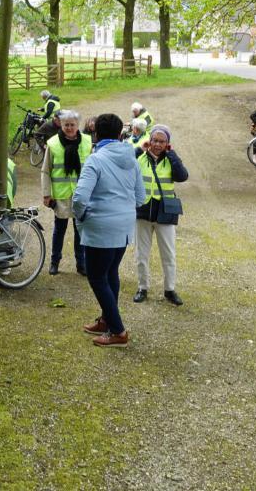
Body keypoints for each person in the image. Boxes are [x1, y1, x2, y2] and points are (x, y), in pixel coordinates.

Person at [72, 113, 145, 348]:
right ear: (119, 134)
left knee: (96, 277)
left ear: (95, 134)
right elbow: (141, 197)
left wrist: (82, 216)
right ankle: (107, 320)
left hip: (100, 226)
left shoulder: (96, 160)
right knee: (111, 272)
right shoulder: (132, 158)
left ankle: (118, 331)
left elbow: (80, 198)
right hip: (124, 225)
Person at [133, 124, 189, 305]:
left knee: (169, 253)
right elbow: (124, 165)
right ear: (149, 141)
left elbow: (182, 176)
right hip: (143, 211)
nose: (157, 144)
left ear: (167, 143)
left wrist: (172, 154)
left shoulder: (171, 159)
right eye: (155, 140)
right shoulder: (140, 158)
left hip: (165, 212)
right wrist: (137, 150)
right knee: (141, 254)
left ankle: (170, 289)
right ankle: (142, 287)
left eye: (162, 141)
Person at [40, 110, 91, 276]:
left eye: (72, 125)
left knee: (80, 231)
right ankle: (54, 262)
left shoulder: (87, 142)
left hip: (81, 195)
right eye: (66, 125)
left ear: (77, 126)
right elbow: (46, 171)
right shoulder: (53, 144)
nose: (69, 128)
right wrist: (47, 194)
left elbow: (93, 171)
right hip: (61, 195)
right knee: (59, 230)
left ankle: (81, 264)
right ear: (61, 125)